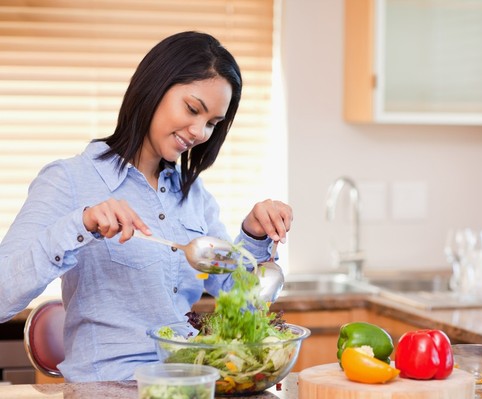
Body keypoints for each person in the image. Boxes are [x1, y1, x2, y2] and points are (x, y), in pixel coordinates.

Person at [0, 31, 293, 382]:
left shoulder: (193, 196)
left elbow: (240, 301)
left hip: (186, 383)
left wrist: (253, 236)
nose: (200, 131)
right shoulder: (69, 179)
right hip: (107, 386)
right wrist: (81, 224)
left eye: (213, 123)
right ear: (154, 88)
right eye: (192, 109)